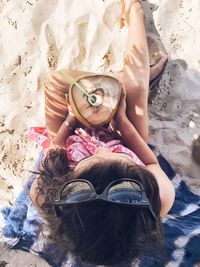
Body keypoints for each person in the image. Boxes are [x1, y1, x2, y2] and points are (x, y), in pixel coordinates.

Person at [30, 0, 175, 265]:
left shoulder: (45, 197)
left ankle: (120, 83)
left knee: (56, 83)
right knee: (135, 91)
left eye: (92, 159)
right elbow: (151, 161)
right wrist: (123, 124)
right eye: (112, 158)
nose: (100, 148)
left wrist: (72, 120)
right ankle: (133, 9)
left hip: (70, 141)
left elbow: (54, 147)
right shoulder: (157, 198)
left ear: (66, 193)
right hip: (128, 140)